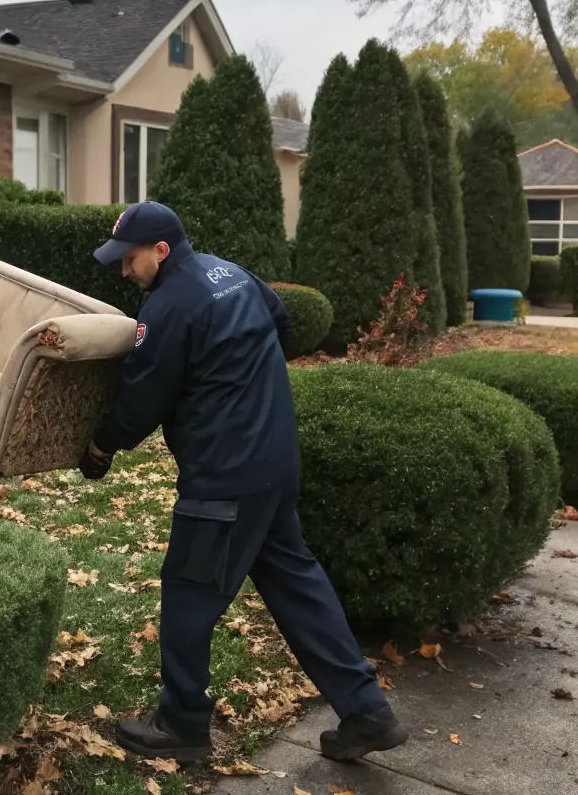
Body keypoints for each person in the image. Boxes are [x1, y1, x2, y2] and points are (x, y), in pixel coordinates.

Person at [79, 201, 407, 764]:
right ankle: (367, 710)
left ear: (159, 250)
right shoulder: (227, 273)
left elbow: (144, 396)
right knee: (295, 584)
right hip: (273, 462)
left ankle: (182, 722)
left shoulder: (168, 307)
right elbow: (280, 320)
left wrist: (102, 445)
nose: (124, 272)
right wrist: (241, 380)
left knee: (188, 591)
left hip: (223, 478)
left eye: (129, 260)